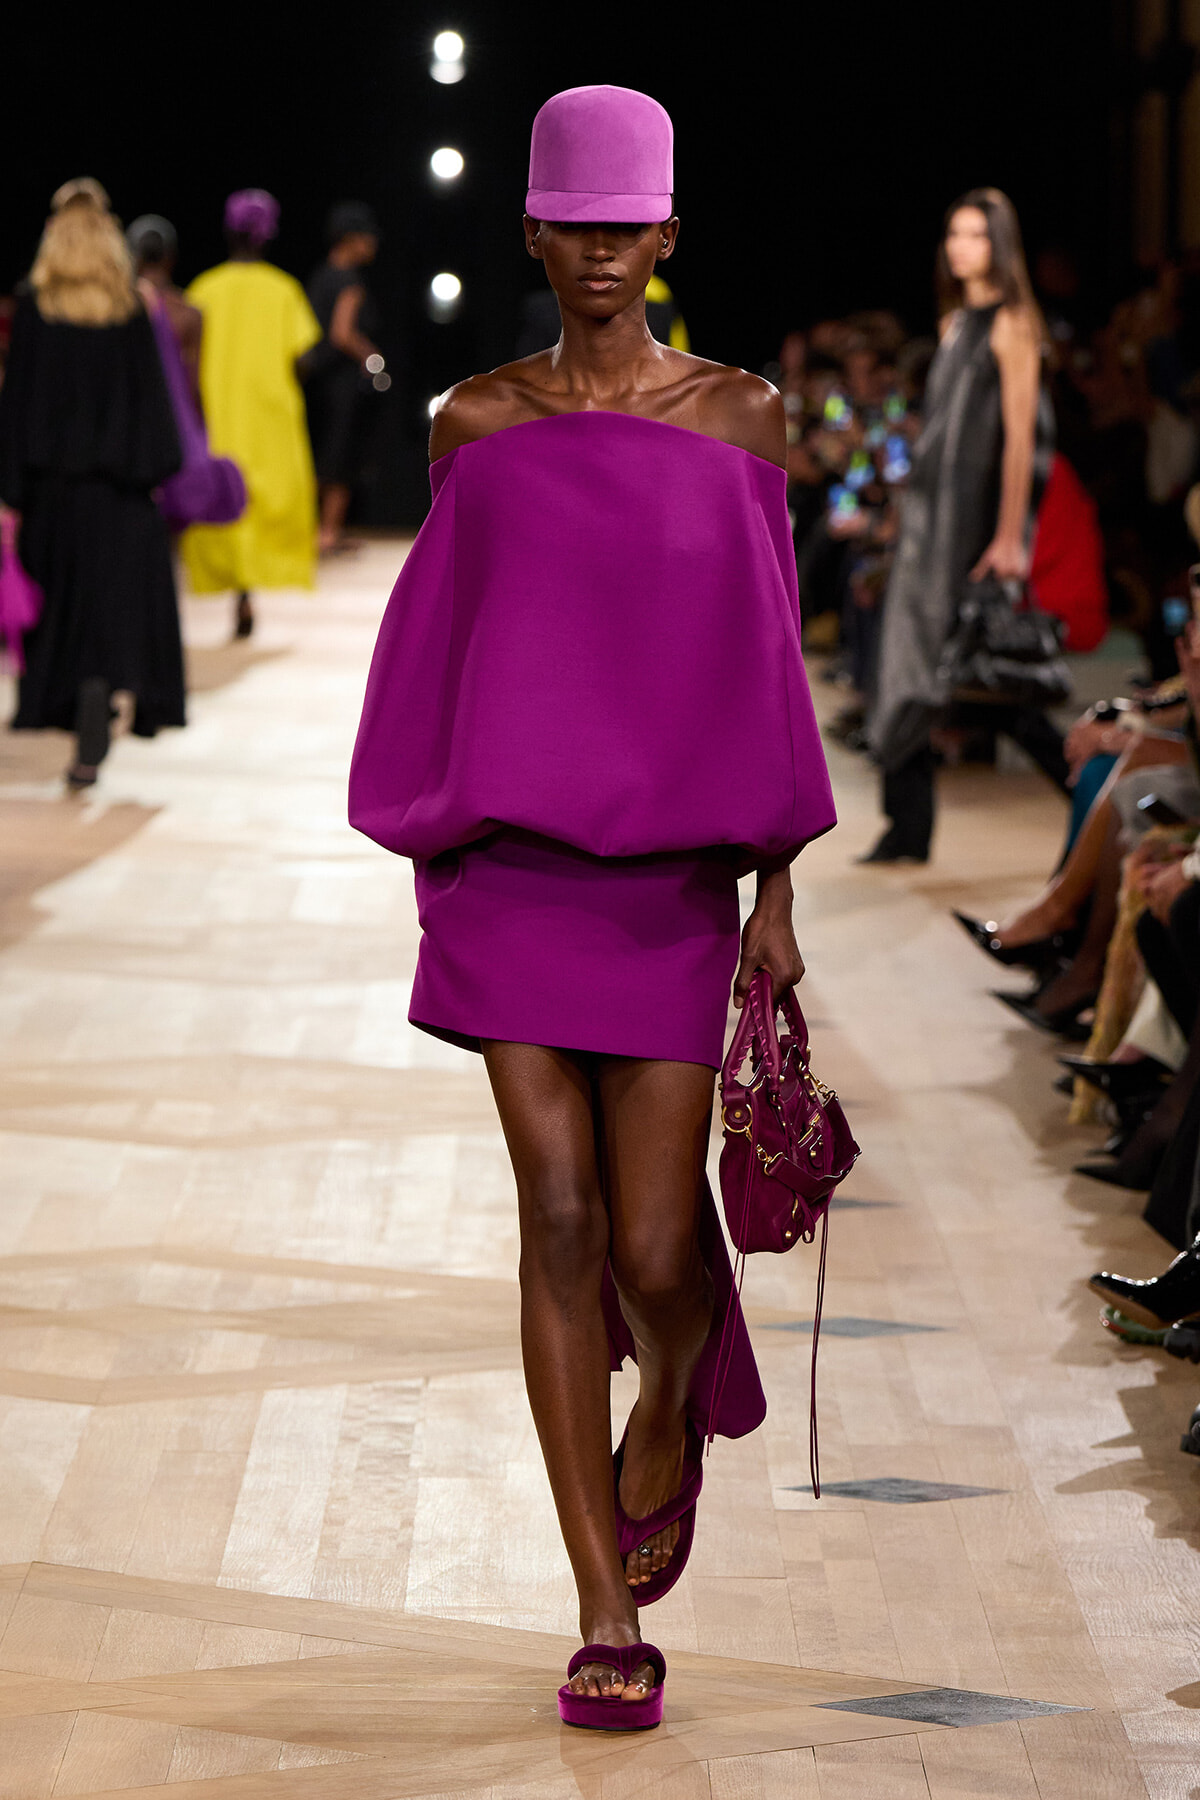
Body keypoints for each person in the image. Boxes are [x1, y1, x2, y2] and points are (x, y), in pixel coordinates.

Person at [349, 85, 835, 1728]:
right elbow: (443, 645)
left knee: (653, 1242)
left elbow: (766, 656)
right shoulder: (472, 425)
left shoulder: (742, 418)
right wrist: (437, 837)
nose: (605, 251)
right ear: (535, 232)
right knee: (559, 1217)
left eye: (630, 226)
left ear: (669, 232)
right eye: (578, 225)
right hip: (515, 873)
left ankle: (672, 1398)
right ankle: (601, 1607)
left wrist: (778, 888)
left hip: (672, 881)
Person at [865, 188, 1056, 863]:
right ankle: (905, 824)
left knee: (982, 672)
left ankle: (1083, 778)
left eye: (975, 235)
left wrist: (1009, 535)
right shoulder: (953, 324)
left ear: (999, 244)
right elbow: (939, 436)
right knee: (906, 662)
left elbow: (1021, 437)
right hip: (929, 518)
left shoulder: (1014, 323)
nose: (960, 247)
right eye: (954, 234)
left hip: (971, 522)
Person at [0, 179, 184, 787]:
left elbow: (16, 404)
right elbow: (152, 401)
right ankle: (97, 701)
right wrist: (154, 473)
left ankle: (82, 711)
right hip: (121, 495)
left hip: (52, 492)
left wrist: (11, 493)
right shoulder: (129, 308)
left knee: (62, 614)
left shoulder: (35, 306)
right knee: (108, 613)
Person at [182, 191, 320, 639]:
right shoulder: (283, 290)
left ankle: (237, 590)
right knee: (265, 499)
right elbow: (304, 358)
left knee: (225, 503)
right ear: (267, 235)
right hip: (267, 417)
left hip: (218, 414)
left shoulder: (203, 289)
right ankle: (247, 592)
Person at [304, 202, 386, 555]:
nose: (373, 243)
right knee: (341, 453)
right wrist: (372, 355)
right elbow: (342, 333)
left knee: (319, 450)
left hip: (317, 377)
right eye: (367, 236)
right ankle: (328, 533)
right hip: (342, 381)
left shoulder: (320, 276)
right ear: (350, 239)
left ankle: (308, 530)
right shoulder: (350, 281)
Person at [127, 214, 202, 404]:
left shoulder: (119, 312)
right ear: (171, 258)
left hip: (132, 415)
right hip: (174, 415)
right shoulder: (189, 314)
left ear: (133, 258)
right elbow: (195, 386)